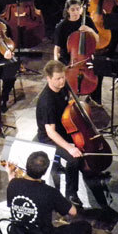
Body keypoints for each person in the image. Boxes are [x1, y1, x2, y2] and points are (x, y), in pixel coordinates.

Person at [6, 151, 92, 234]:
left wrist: (10, 172)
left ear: (27, 166)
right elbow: (73, 212)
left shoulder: (13, 184)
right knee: (84, 228)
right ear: (45, 171)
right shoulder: (49, 192)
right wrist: (61, 200)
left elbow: (12, 181)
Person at [36, 60, 83, 207]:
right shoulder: (46, 101)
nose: (62, 81)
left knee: (82, 143)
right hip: (49, 137)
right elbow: (51, 132)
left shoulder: (63, 86)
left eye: (63, 77)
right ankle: (71, 193)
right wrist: (70, 148)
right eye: (58, 78)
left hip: (62, 127)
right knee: (73, 158)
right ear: (48, 78)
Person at [83, 0, 118, 105]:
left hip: (108, 27)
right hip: (93, 24)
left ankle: (96, 94)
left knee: (101, 63)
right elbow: (86, 4)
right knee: (92, 62)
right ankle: (92, 91)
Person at [53, 0, 99, 66]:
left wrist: (89, 29)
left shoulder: (87, 20)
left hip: (86, 57)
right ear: (68, 10)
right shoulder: (61, 26)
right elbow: (57, 48)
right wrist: (56, 62)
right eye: (72, 10)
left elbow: (97, 40)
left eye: (78, 9)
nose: (76, 12)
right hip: (69, 59)